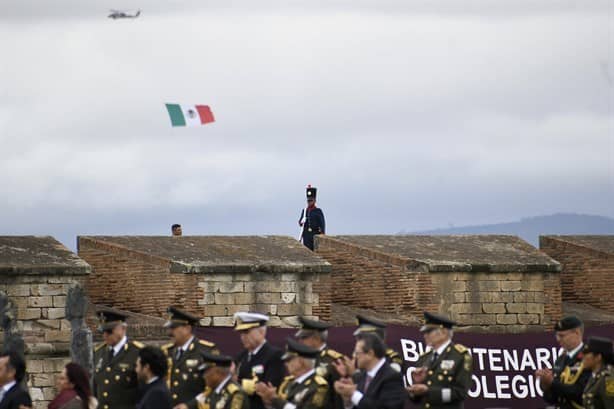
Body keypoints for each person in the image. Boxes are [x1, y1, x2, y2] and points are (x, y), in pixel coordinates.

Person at [406, 312, 472, 408]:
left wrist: (429, 391)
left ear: (444, 332)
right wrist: (416, 385)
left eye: (429, 332)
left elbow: (460, 393)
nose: (425, 335)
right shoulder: (424, 358)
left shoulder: (459, 356)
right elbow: (416, 400)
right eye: (425, 332)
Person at [161, 306, 217, 408]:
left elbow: (213, 387)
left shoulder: (205, 351)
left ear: (187, 328)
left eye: (174, 328)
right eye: (169, 328)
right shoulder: (166, 351)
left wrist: (190, 405)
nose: (170, 333)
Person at [332, 332, 405, 409]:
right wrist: (348, 400)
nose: (355, 357)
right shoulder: (361, 377)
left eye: (357, 353)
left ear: (370, 353)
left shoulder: (392, 377)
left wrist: (353, 394)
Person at [255, 337, 328, 409]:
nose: (286, 364)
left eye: (289, 360)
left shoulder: (318, 386)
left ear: (301, 362)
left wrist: (275, 400)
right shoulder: (287, 383)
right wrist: (268, 401)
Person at [93, 309, 144, 409]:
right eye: (103, 331)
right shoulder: (99, 352)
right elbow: (96, 387)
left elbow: (146, 390)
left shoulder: (138, 352)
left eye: (109, 331)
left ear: (123, 328)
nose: (105, 335)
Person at [536, 316, 591, 408]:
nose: (558, 339)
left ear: (576, 333)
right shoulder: (561, 359)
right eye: (556, 335)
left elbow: (583, 393)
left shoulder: (589, 357)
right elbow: (552, 399)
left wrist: (552, 383)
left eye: (562, 335)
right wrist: (546, 385)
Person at [234, 312, 285, 409]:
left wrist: (237, 383)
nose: (243, 337)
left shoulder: (274, 355)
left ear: (261, 332)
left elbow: (269, 387)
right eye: (241, 333)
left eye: (247, 332)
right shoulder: (241, 356)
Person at [295, 316, 346, 409]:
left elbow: (338, 396)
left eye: (303, 337)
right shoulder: (300, 358)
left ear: (316, 338)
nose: (300, 341)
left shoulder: (333, 360)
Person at [581, 337, 614, 409]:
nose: (582, 357)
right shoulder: (594, 376)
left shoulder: (608, 378)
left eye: (586, 354)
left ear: (598, 357)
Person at [298, 185, 325, 251]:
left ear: (314, 201)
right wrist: (302, 221)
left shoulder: (318, 211)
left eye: (311, 200)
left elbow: (322, 224)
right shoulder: (304, 211)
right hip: (306, 235)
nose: (309, 202)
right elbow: (300, 223)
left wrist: (322, 234)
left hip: (315, 234)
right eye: (308, 201)